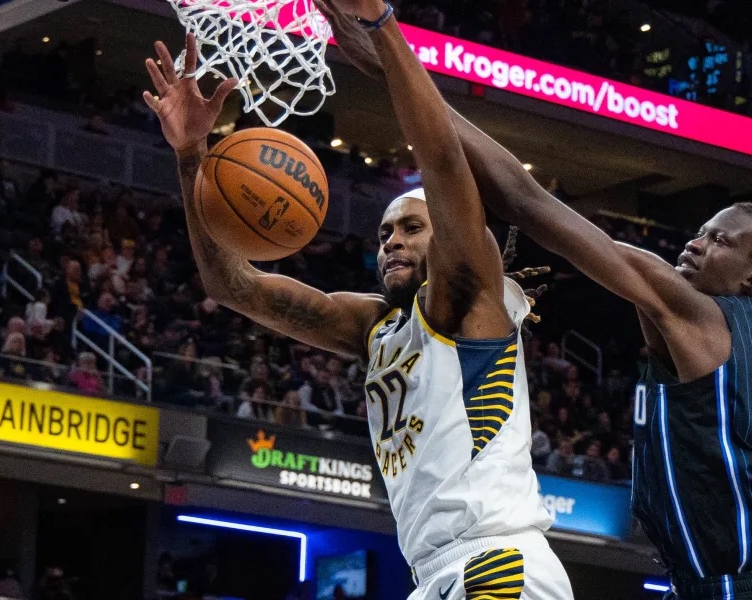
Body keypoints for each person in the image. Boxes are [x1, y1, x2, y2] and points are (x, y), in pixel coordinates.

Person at [312, 8, 752, 598]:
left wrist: (391, 63)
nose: (695, 244)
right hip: (705, 583)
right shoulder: (746, 339)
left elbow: (525, 201)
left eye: (720, 241)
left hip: (737, 587)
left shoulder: (701, 314)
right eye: (699, 232)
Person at [143, 24, 571, 600]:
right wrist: (191, 155)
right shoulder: (376, 328)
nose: (392, 241)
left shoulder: (471, 301)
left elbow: (445, 161)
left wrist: (382, 37)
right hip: (437, 573)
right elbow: (233, 286)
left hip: (498, 561)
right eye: (384, 232)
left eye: (412, 228)